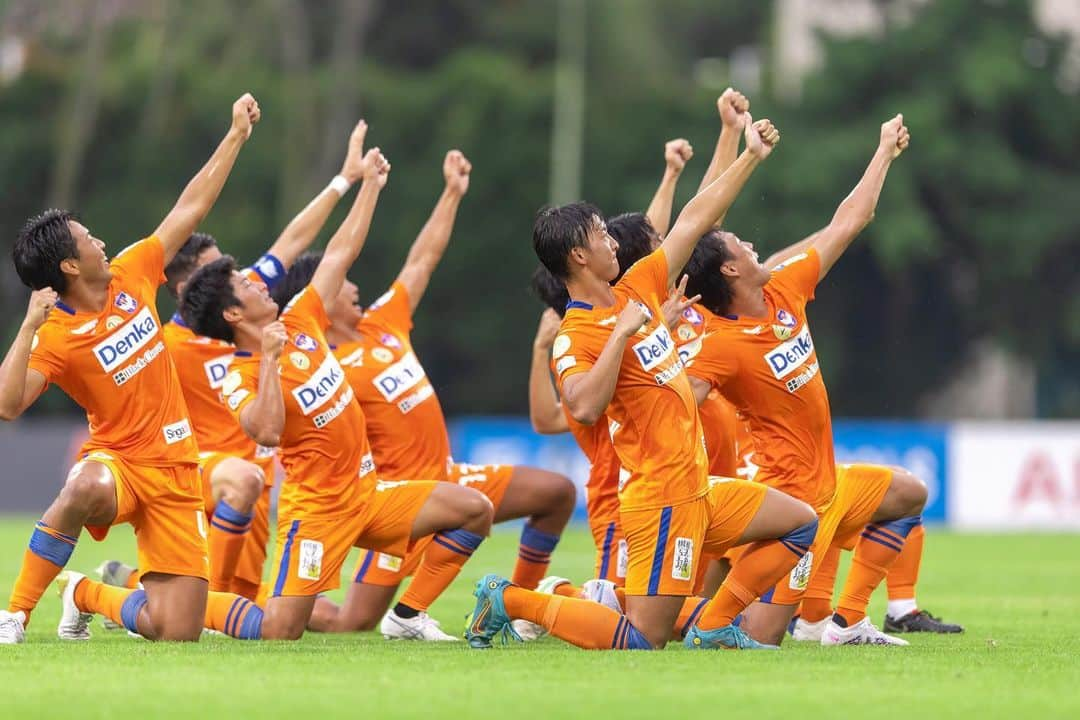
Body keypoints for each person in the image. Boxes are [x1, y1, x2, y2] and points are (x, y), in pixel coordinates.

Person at [467, 114, 821, 652]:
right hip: (659, 498)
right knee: (642, 641)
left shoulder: (639, 286)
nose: (615, 243)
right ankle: (511, 599)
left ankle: (714, 624)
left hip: (699, 487)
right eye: (602, 236)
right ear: (579, 257)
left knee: (799, 524)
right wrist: (622, 338)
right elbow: (582, 408)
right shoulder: (576, 333)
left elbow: (693, 222)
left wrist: (749, 154)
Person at [181, 137, 494, 640]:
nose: (260, 283)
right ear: (233, 314)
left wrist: (369, 186)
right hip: (317, 511)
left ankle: (407, 617)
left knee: (475, 511)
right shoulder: (240, 374)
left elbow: (341, 252)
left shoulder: (302, 317)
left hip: (368, 494)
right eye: (245, 284)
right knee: (282, 631)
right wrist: (270, 361)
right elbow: (266, 432)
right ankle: (185, 604)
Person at [268, 150, 575, 640]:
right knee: (352, 622)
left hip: (447, 475)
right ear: (321, 296)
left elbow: (423, 259)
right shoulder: (318, 364)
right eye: (344, 283)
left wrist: (451, 193)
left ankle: (514, 609)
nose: (353, 288)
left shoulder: (384, 321)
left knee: (557, 492)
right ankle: (250, 605)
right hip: (394, 494)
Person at [0, 94, 266, 644]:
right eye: (85, 239)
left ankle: (85, 593)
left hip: (176, 470)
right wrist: (26, 327)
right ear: (71, 265)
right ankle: (16, 614)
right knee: (83, 485)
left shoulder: (133, 272)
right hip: (118, 465)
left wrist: (236, 133)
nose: (98, 239)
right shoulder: (57, 336)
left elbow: (189, 209)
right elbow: (8, 405)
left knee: (177, 631)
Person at [99, 120, 373, 604]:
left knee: (262, 604)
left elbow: (294, 240)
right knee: (223, 589)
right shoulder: (166, 347)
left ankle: (129, 583)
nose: (239, 273)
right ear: (187, 288)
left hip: (255, 480)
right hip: (210, 475)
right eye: (218, 266)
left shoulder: (250, 303)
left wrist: (344, 179)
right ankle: (138, 596)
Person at [682, 114, 929, 646]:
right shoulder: (719, 345)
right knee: (761, 636)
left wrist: (883, 150)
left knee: (910, 493)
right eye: (740, 246)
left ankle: (846, 621)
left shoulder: (784, 289)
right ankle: (630, 610)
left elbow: (848, 221)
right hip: (790, 503)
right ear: (729, 271)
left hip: (830, 485)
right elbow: (677, 405)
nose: (751, 245)